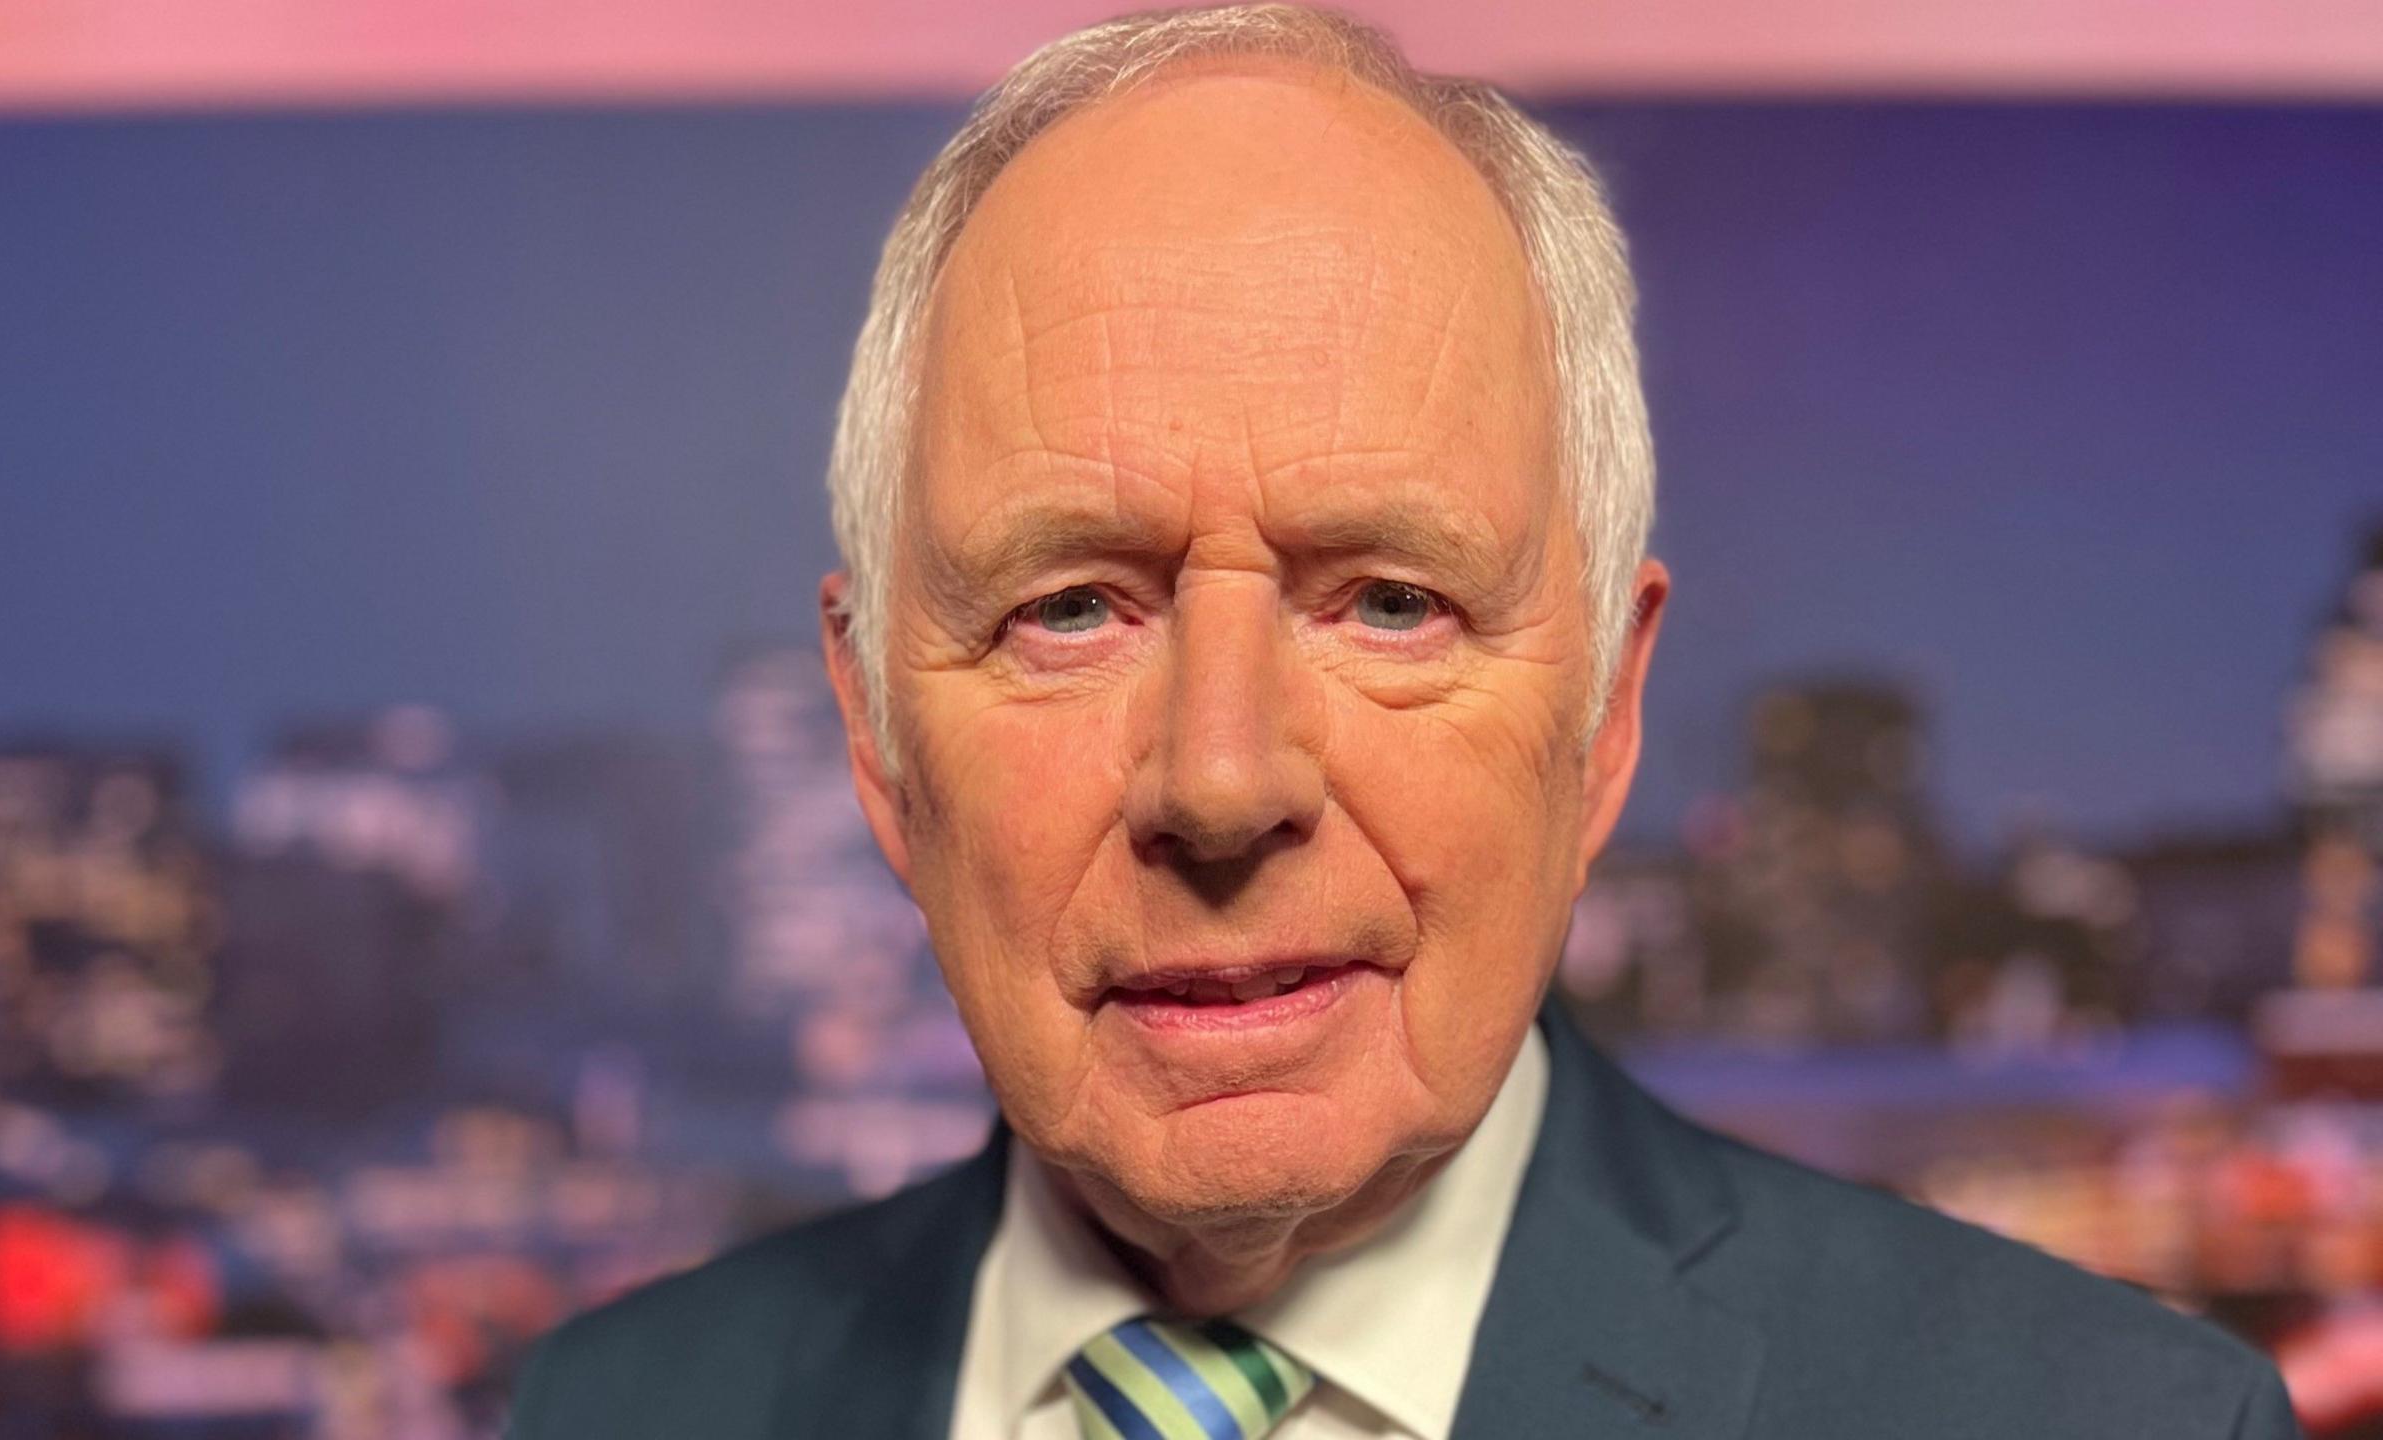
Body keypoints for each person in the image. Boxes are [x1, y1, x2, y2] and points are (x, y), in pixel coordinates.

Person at [506, 5, 2303, 1437]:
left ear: (1604, 716)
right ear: (878, 739)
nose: (1222, 781)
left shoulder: (2106, 1419)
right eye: (1070, 609)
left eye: (1389, 602)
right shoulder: (615, 1411)